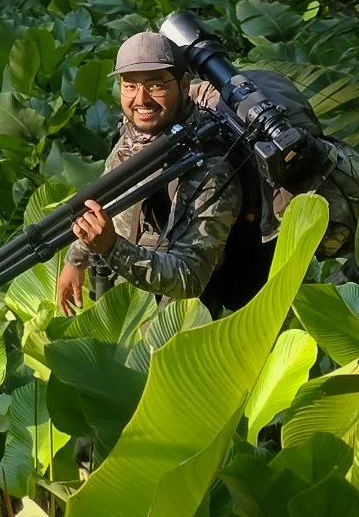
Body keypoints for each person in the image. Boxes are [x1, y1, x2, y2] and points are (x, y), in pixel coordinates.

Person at [56, 30, 245, 315]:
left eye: (156, 86)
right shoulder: (135, 132)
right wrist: (77, 258)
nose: (141, 99)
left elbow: (190, 277)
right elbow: (107, 199)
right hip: (128, 306)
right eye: (129, 86)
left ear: (184, 86)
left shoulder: (210, 165)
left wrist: (110, 248)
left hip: (179, 325)